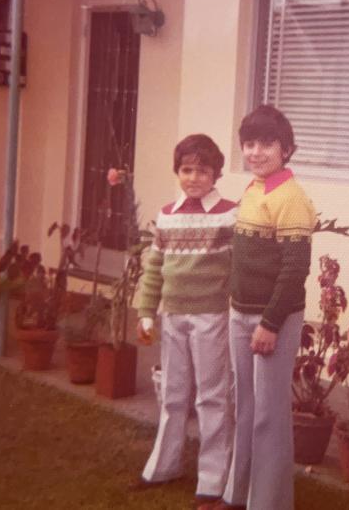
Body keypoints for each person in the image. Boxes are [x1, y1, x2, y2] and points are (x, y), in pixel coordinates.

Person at [216, 105, 316, 510]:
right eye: (250, 143)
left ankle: (269, 503)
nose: (256, 152)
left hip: (272, 319)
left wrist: (270, 324)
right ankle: (238, 494)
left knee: (268, 417)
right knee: (245, 409)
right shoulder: (255, 188)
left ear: (286, 149)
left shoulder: (292, 198)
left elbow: (294, 272)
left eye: (267, 144)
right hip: (241, 313)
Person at [132, 134, 236, 510]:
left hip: (211, 315)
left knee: (211, 396)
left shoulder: (229, 213)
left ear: (216, 173)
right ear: (177, 171)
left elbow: (239, 267)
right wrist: (146, 312)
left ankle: (212, 480)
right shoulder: (167, 214)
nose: (194, 178)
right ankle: (163, 466)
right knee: (173, 394)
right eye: (186, 170)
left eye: (202, 171)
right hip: (173, 314)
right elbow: (155, 268)